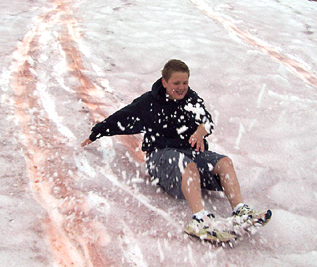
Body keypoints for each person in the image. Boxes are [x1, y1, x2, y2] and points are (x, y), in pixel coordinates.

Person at [81, 59, 271, 241]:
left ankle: (240, 210)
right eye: (176, 82)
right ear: (164, 82)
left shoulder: (191, 100)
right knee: (188, 167)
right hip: (160, 157)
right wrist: (96, 133)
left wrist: (199, 133)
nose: (181, 87)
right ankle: (200, 220)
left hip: (189, 153)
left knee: (224, 162)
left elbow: (206, 121)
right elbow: (121, 118)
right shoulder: (148, 103)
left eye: (185, 82)